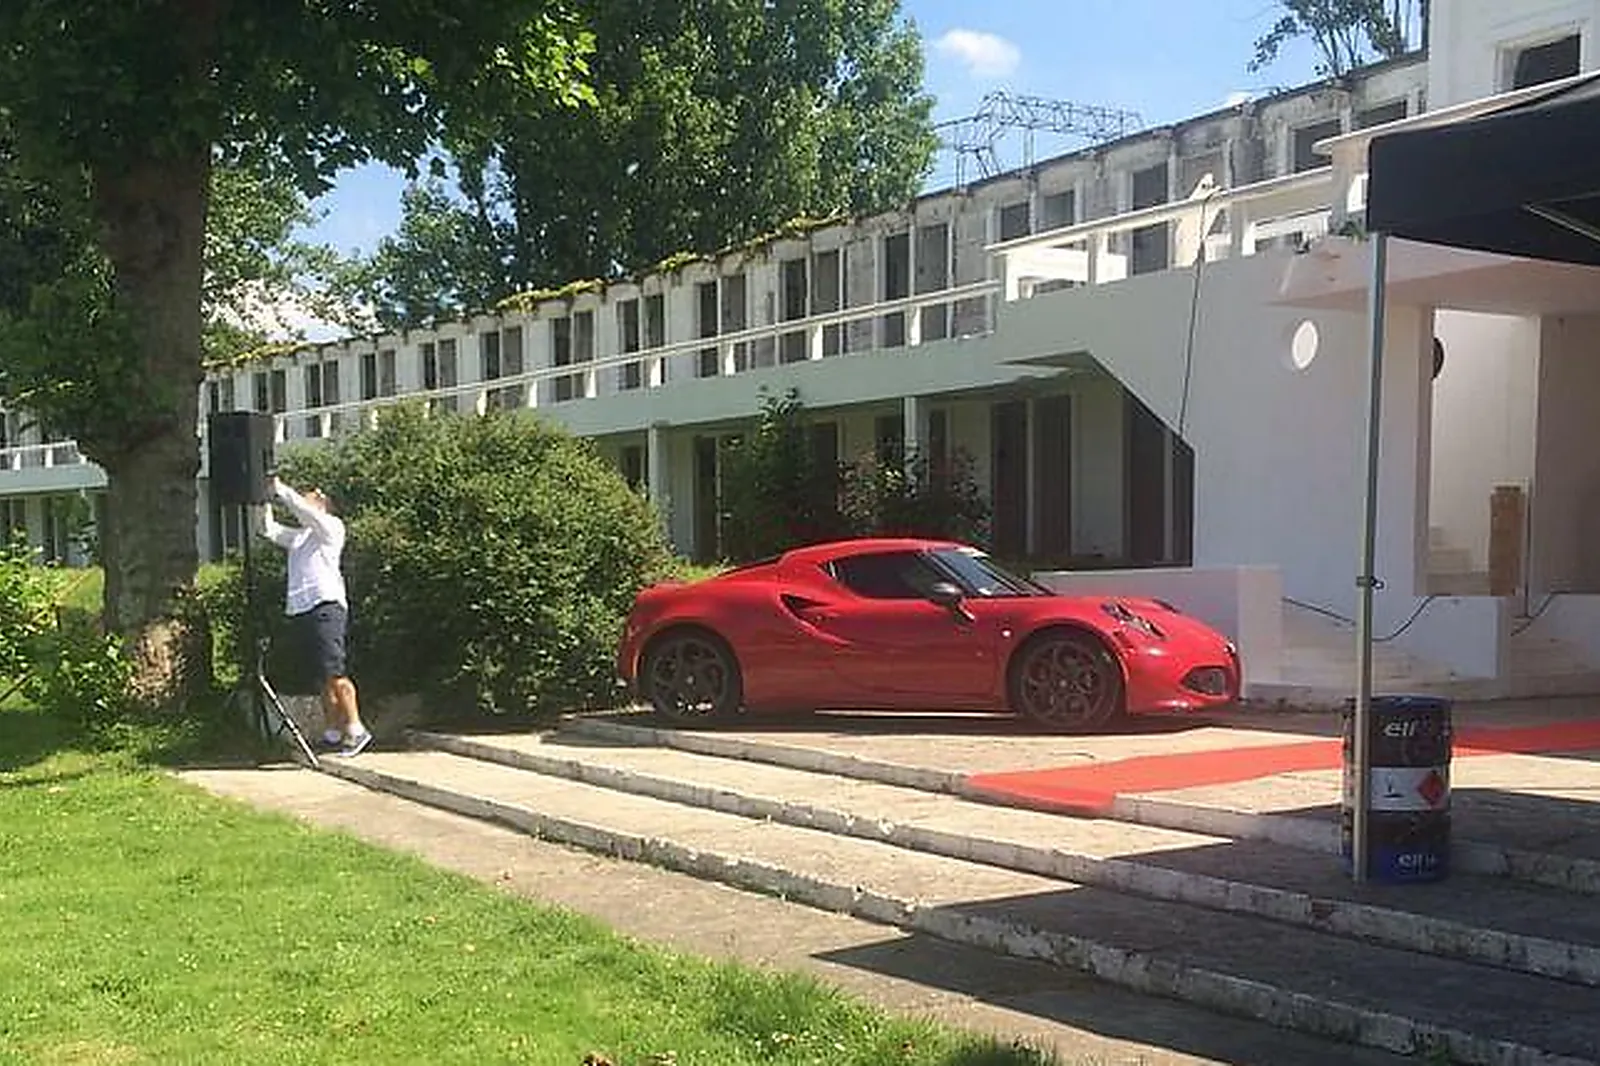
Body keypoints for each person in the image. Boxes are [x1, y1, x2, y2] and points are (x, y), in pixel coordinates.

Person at [258, 476, 371, 756]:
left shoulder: (331, 527)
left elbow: (305, 512)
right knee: (321, 678)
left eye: (315, 494)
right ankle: (333, 733)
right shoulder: (300, 538)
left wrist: (280, 489)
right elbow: (267, 529)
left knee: (335, 671)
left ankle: (356, 729)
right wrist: (261, 499)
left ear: (324, 505)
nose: (309, 495)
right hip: (302, 609)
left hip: (326, 606)